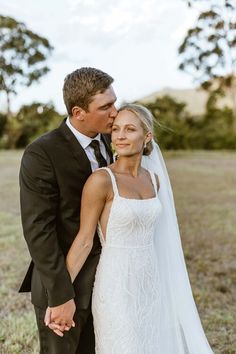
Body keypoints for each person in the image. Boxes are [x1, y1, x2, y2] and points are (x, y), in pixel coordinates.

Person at [49, 104, 214, 353]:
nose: (120, 136)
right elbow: (84, 241)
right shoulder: (101, 181)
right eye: (115, 129)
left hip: (150, 281)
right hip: (115, 285)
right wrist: (60, 296)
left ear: (147, 136)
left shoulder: (154, 180)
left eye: (130, 129)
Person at [19, 67, 117, 353]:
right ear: (78, 112)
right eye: (106, 106)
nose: (115, 112)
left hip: (111, 281)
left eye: (115, 102)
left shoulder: (116, 140)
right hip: (67, 284)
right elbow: (39, 231)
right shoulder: (42, 153)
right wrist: (60, 295)